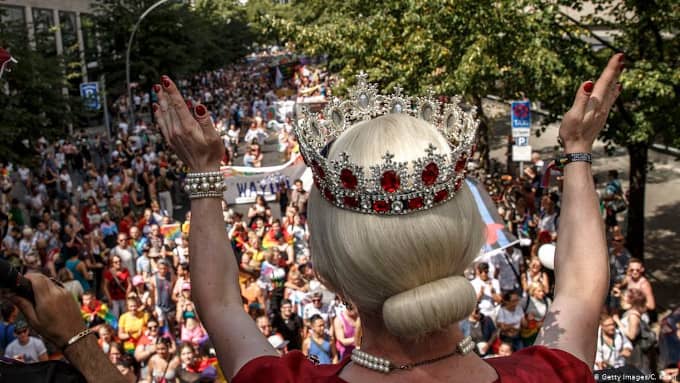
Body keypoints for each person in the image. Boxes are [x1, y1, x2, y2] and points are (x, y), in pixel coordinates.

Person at [9, 54, 624, 383]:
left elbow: (219, 301)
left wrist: (202, 172)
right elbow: (579, 290)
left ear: (330, 271)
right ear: (465, 240)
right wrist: (575, 153)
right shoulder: (547, 376)